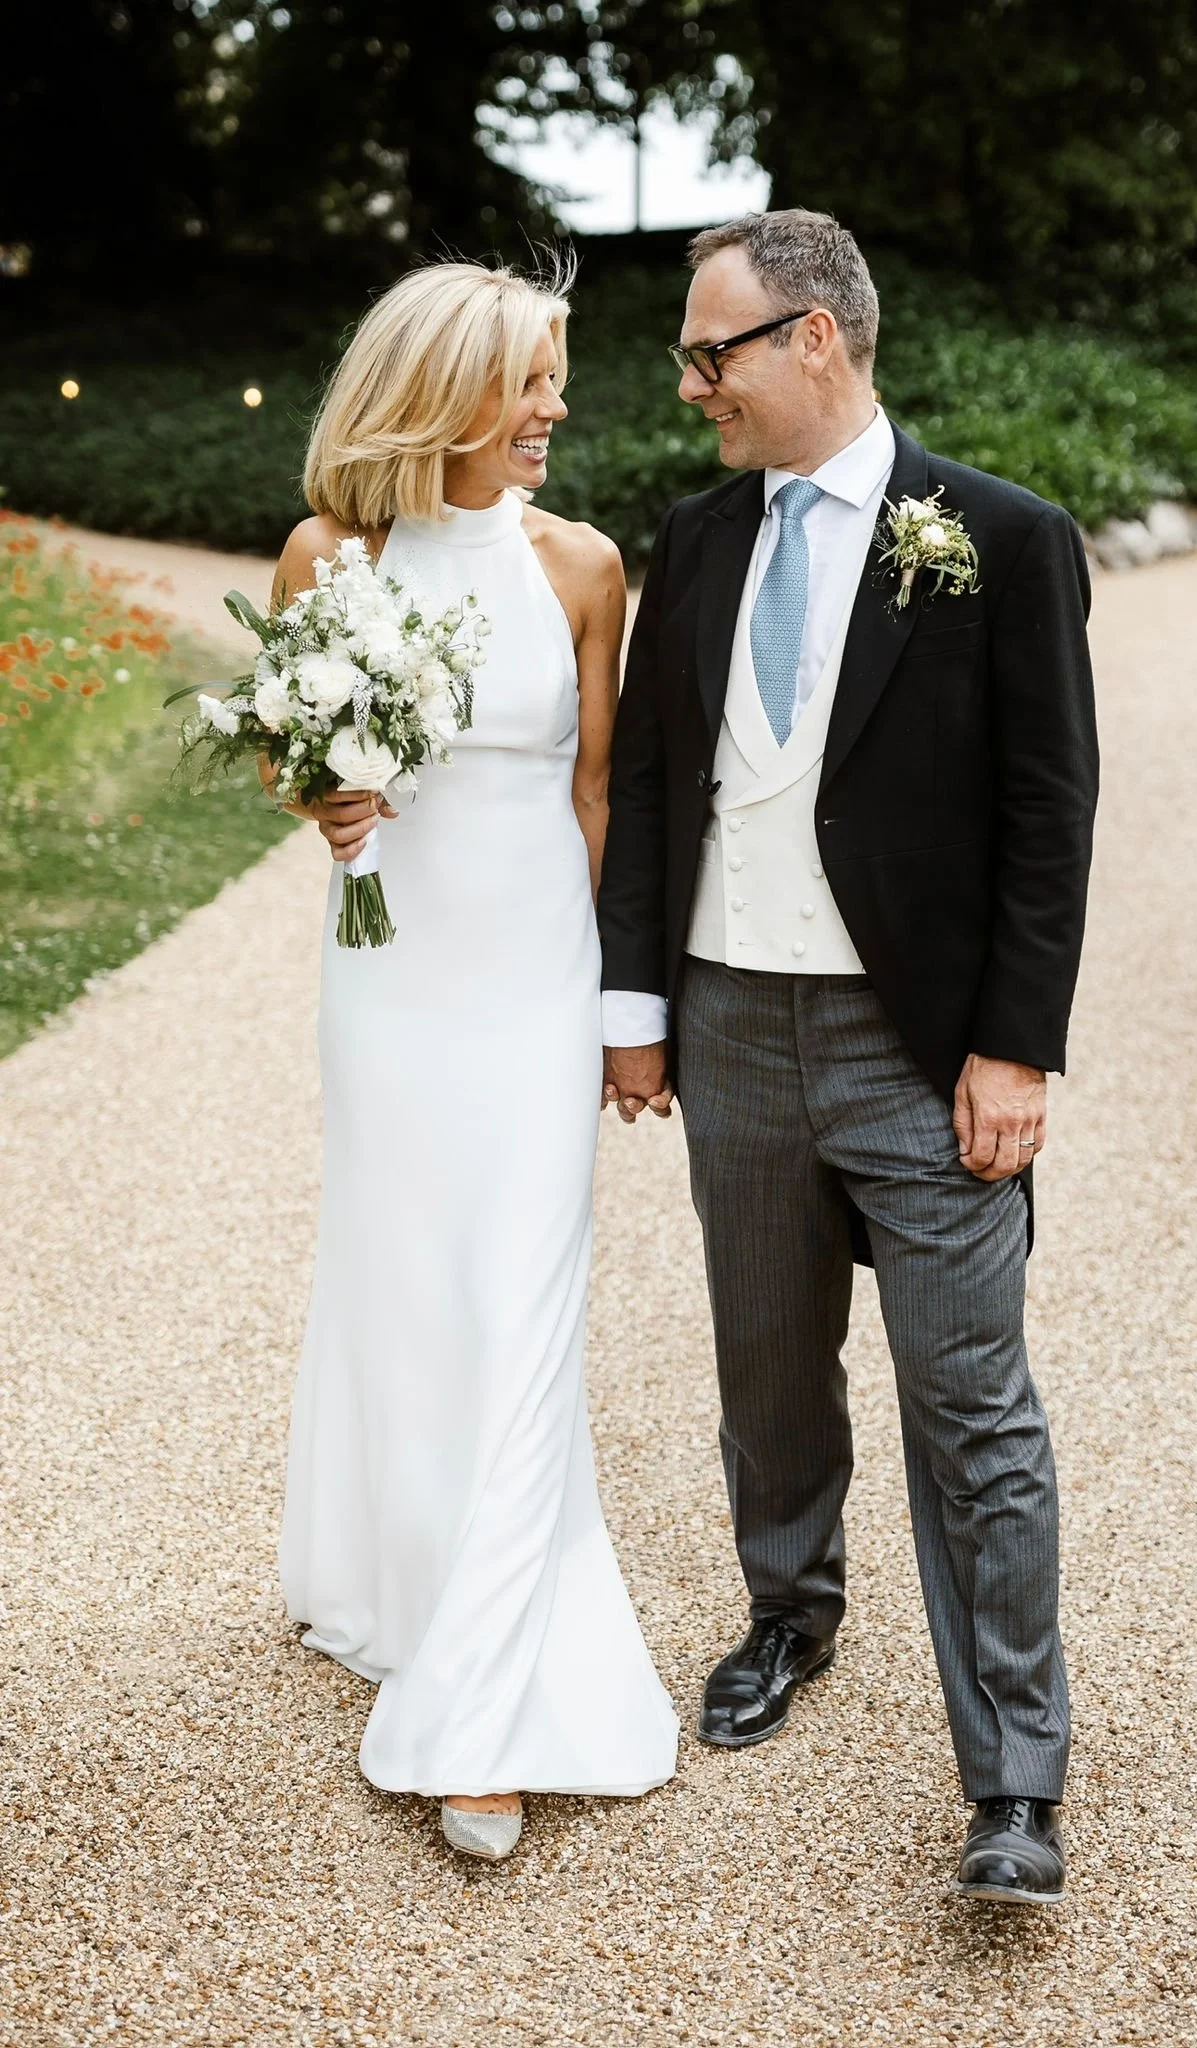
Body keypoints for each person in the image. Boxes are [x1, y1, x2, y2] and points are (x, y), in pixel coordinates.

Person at [598, 210, 1098, 1905]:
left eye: (709, 352)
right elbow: (660, 786)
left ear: (816, 339)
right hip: (731, 1022)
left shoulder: (1001, 539)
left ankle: (1016, 1778)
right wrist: (638, 1009)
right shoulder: (695, 535)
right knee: (766, 1368)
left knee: (974, 1412)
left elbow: (1050, 812)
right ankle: (788, 1611)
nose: (689, 385)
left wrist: (1014, 1047)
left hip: (921, 1045)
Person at [273, 259, 678, 1862]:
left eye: (557, 377)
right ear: (441, 390)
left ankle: (489, 1703)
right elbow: (295, 759)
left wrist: (617, 1008)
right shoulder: (331, 555)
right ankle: (400, 1571)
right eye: (531, 380)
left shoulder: (582, 566)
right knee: (409, 1277)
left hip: (532, 982)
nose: (557, 409)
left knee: (524, 1298)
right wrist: (323, 802)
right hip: (390, 982)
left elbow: (596, 797)